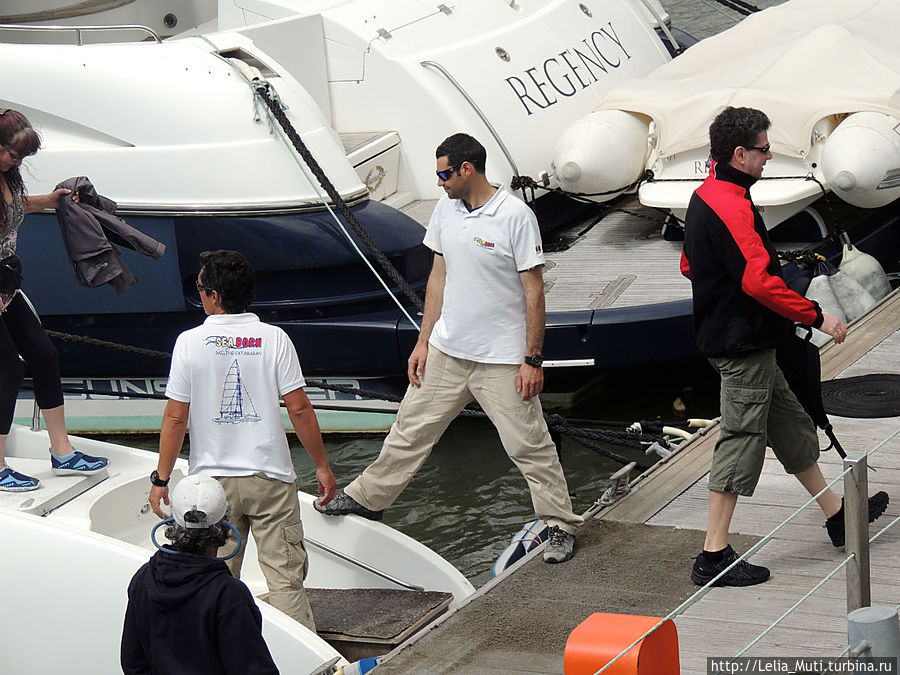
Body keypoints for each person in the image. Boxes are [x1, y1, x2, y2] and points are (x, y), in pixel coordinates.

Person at [315, 133, 583, 563]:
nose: (439, 182)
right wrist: (423, 341)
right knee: (409, 429)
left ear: (467, 170)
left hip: (500, 360)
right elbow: (437, 278)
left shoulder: (515, 216)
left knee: (528, 445)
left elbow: (534, 291)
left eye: (444, 174)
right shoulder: (446, 209)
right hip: (446, 351)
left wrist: (533, 359)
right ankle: (368, 497)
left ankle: (559, 524)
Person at [680, 106, 889, 587]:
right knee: (741, 439)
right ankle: (713, 555)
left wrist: (723, 282)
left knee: (791, 424)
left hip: (740, 337)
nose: (769, 156)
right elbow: (757, 281)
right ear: (740, 154)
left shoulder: (706, 195)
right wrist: (817, 315)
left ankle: (838, 516)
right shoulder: (732, 205)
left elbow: (691, 265)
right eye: (763, 149)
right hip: (742, 345)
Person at [148, 250, 336, 630]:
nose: (199, 295)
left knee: (211, 578)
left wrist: (161, 479)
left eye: (200, 289)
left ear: (214, 296)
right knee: (285, 582)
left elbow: (175, 417)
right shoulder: (274, 339)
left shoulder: (189, 342)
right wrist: (322, 466)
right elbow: (299, 409)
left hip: (211, 487)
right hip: (270, 479)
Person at [0, 108, 108, 492]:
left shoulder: (6, 177)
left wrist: (50, 200)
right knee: (7, 371)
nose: (18, 162)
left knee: (44, 355)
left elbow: (14, 208)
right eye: (14, 155)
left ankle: (62, 453)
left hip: (6, 288)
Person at [122, 474, 280, 674]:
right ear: (226, 522)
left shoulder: (144, 578)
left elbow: (132, 663)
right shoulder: (229, 595)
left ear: (172, 522)